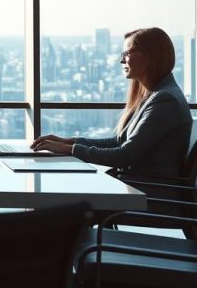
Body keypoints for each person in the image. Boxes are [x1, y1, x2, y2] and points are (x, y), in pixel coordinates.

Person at [32, 27, 191, 177]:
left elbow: (124, 155)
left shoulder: (165, 100)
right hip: (136, 188)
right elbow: (119, 141)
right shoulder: (155, 95)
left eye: (127, 54)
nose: (122, 61)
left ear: (149, 57)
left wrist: (69, 149)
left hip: (148, 194)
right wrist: (68, 142)